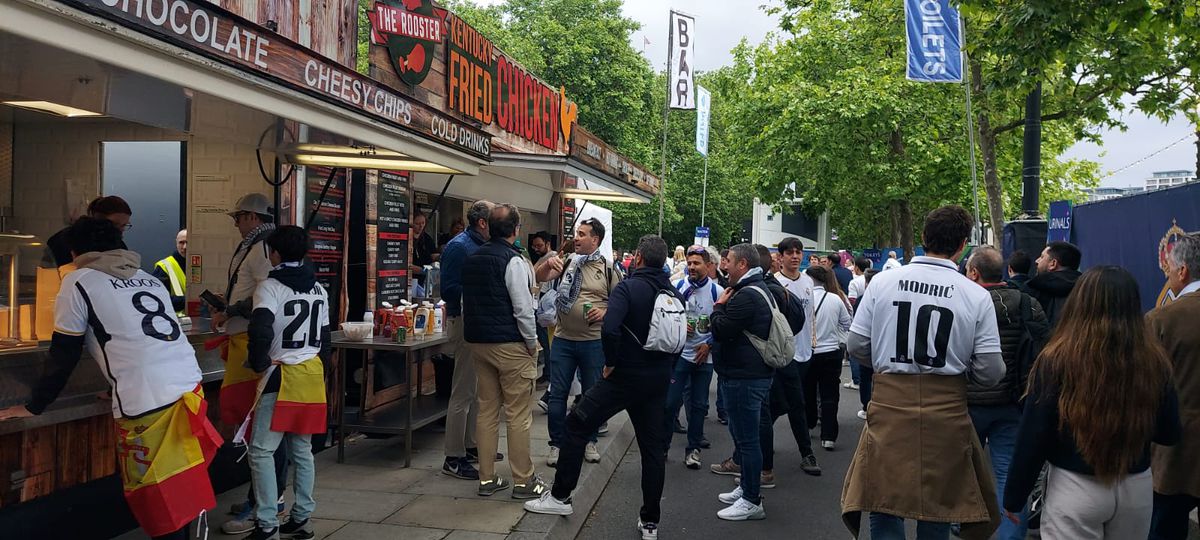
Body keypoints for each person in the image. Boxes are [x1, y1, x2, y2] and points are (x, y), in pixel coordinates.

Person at [0, 217, 222, 540]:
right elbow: (131, 338)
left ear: (76, 251)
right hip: (189, 390)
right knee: (182, 490)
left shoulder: (78, 283)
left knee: (159, 501)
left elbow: (64, 354)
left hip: (148, 404)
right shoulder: (149, 279)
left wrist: (35, 406)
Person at [841, 205, 1005, 540]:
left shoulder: (883, 282)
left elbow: (857, 345)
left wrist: (886, 365)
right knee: (939, 505)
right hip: (946, 412)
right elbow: (990, 371)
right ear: (963, 245)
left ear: (922, 238)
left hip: (888, 404)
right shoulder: (976, 295)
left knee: (883, 500)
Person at [1005, 266, 1180, 539]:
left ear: (1080, 303)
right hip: (1135, 485)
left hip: (1074, 485)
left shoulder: (1057, 359)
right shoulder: (1154, 361)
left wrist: (1015, 496)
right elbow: (1169, 432)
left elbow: (1034, 434)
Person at [524, 235, 678, 540]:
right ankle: (650, 522)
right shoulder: (672, 293)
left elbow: (609, 328)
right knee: (652, 450)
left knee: (577, 422)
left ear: (638, 257)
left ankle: (560, 497)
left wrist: (611, 362)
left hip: (624, 376)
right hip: (657, 379)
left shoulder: (628, 287)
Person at [242, 226, 331, 540]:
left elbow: (261, 329)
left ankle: (267, 523)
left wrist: (258, 363)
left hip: (280, 374)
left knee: (262, 451)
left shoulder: (269, 287)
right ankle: (302, 517)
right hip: (311, 372)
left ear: (274, 253)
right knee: (302, 449)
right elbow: (324, 339)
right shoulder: (319, 289)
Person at [210, 193, 288, 535]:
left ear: (253, 218)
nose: (236, 224)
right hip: (244, 342)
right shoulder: (256, 245)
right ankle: (264, 496)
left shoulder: (261, 249)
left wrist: (231, 310)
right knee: (257, 425)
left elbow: (264, 295)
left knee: (262, 426)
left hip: (253, 347)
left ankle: (266, 502)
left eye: (238, 217)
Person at [461, 204, 547, 499]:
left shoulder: (473, 258)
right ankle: (524, 481)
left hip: (478, 343)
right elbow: (523, 308)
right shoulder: (515, 261)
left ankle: (487, 478)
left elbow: (465, 303)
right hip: (510, 344)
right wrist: (532, 342)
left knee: (486, 410)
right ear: (515, 229)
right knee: (518, 415)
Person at [964, 246, 1050, 540]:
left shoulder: (965, 302)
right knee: (1008, 474)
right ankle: (1010, 534)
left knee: (962, 471)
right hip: (1014, 404)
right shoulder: (1029, 304)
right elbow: (1045, 350)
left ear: (974, 272)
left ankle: (967, 524)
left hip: (968, 403)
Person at [537, 217, 620, 467]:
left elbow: (620, 303)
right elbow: (539, 277)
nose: (577, 238)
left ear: (595, 240)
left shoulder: (608, 267)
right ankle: (556, 444)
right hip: (563, 339)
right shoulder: (568, 262)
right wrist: (546, 265)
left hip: (592, 342)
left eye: (582, 234)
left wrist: (605, 313)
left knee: (591, 396)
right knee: (557, 395)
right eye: (577, 233)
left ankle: (589, 440)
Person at [708, 243, 775, 521]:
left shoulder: (746, 295)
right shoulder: (757, 288)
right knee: (745, 438)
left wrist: (718, 308)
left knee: (747, 441)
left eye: (729, 261)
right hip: (749, 374)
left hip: (745, 376)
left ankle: (751, 499)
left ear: (743, 265)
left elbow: (722, 330)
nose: (725, 265)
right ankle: (747, 489)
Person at [1148, 234, 1200, 540]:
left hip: (1175, 448)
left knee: (1165, 527)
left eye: (1169, 269)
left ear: (1183, 272)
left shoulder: (1161, 320)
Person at [440, 200, 495, 480]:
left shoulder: (481, 245)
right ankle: (454, 455)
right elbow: (448, 289)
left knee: (476, 388)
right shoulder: (459, 247)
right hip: (463, 320)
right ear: (482, 222)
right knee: (462, 390)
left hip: (478, 320)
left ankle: (471, 444)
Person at [667, 246, 722, 469]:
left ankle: (693, 449)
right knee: (670, 403)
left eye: (697, 263)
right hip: (681, 355)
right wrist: (680, 327)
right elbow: (667, 317)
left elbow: (724, 325)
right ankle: (663, 447)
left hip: (703, 358)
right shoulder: (679, 286)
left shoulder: (717, 291)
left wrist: (708, 345)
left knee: (699, 406)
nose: (692, 267)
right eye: (689, 263)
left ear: (707, 266)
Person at [804, 265, 852, 451]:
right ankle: (829, 436)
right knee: (830, 394)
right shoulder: (836, 299)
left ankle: (808, 424)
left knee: (808, 391)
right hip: (832, 351)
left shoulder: (804, 298)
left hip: (809, 352)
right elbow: (847, 323)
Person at [46, 195, 133, 268]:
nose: (120, 230)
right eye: (115, 224)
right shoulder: (65, 240)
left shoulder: (119, 246)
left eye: (124, 225)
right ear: (97, 218)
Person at [1027, 242, 1082, 328]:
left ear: (1053, 263)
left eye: (1042, 257)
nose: (1036, 261)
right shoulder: (1086, 291)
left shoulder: (1033, 290)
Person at [152, 229, 188, 316]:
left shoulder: (202, 264)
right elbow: (159, 299)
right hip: (174, 321)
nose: (185, 247)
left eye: (188, 242)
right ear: (176, 243)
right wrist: (188, 301)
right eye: (181, 243)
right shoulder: (164, 266)